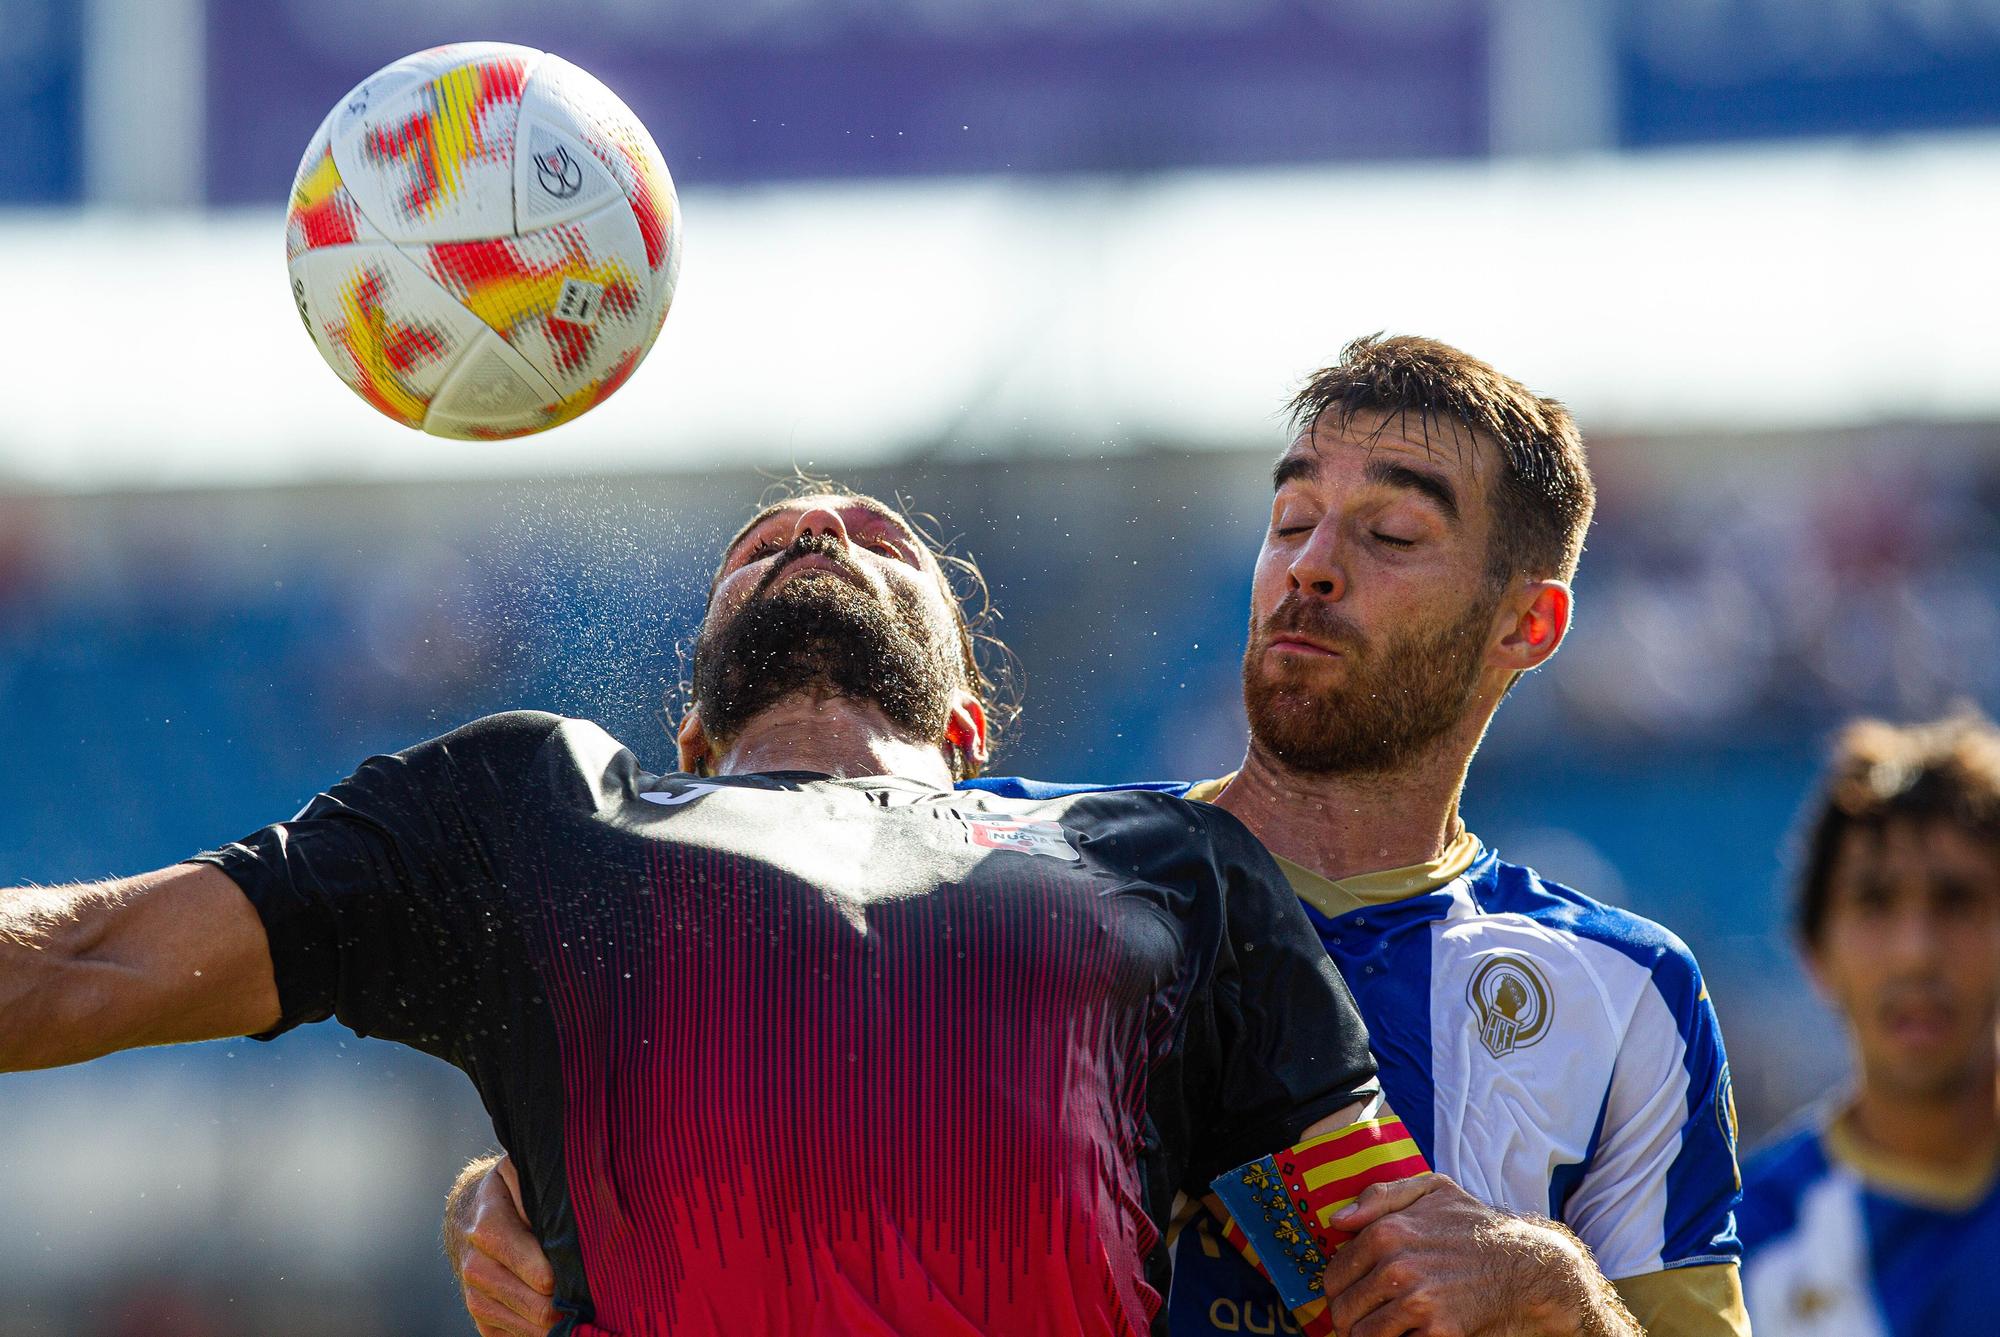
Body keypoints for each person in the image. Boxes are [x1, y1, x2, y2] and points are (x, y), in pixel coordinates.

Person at [449, 336, 1748, 1336]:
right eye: (1290, 521)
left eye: (1391, 533)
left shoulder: (1625, 995)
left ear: (1530, 623)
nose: (1312, 566)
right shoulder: (989, 862)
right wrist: (507, 1199)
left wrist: (1556, 1293)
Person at [0, 490, 1395, 1335]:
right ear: (693, 735)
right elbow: (85, 960)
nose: (818, 530)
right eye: (764, 542)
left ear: (973, 721)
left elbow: (1402, 1253)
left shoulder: (1164, 856)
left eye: (877, 534)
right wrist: (532, 1187)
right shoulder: (534, 806)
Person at [1738, 712, 2000, 1335]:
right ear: (1816, 953)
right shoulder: (1748, 1253)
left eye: (1956, 901)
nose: (1917, 952)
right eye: (1875, 904)